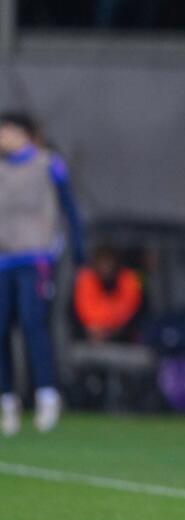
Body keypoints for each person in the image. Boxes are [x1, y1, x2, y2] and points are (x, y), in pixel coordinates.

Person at [0, 112, 85, 437]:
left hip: (35, 257)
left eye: (5, 131)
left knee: (33, 323)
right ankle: (7, 401)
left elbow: (70, 209)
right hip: (3, 259)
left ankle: (46, 396)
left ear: (23, 133)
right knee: (1, 329)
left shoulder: (49, 165)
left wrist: (78, 249)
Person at [73, 245, 144, 344]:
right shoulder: (85, 280)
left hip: (124, 338)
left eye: (109, 262)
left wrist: (111, 328)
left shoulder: (129, 280)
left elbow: (128, 308)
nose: (106, 267)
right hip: (88, 338)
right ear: (95, 263)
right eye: (103, 262)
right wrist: (99, 328)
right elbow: (88, 312)